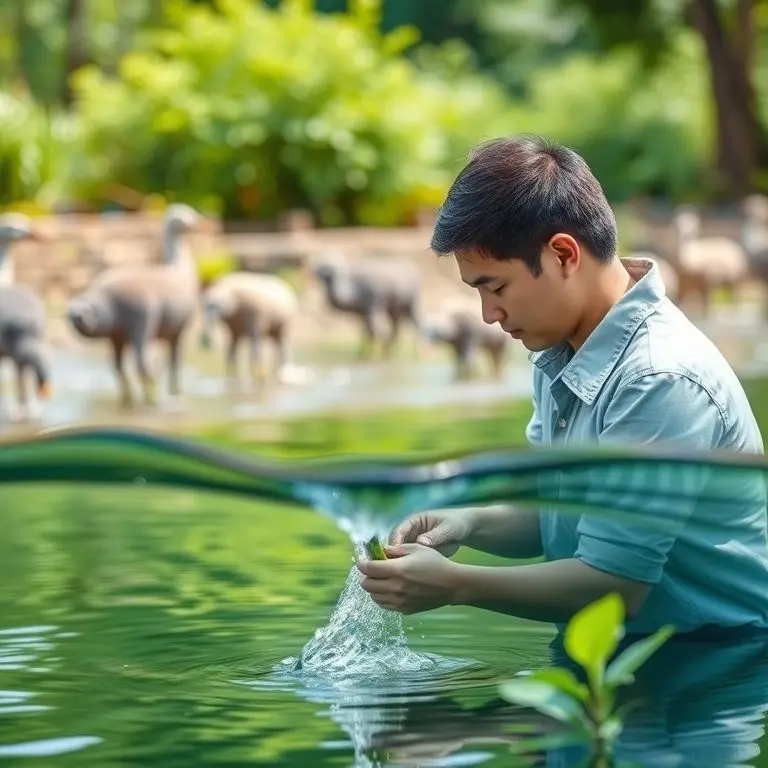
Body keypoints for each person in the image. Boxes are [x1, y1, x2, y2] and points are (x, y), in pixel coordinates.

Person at [357, 134, 768, 636]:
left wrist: (456, 585)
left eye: (497, 287)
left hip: (715, 673)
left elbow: (616, 585)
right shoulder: (560, 353)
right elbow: (561, 511)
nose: (489, 316)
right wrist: (465, 521)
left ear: (563, 255)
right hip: (621, 667)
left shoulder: (659, 379)